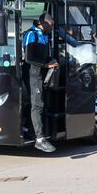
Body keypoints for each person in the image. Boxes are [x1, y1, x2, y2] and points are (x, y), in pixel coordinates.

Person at [23, 13, 59, 153]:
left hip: (41, 75)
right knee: (37, 105)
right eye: (50, 25)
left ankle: (30, 130)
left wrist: (51, 60)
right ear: (43, 23)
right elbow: (29, 57)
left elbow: (42, 55)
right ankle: (39, 139)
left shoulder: (44, 35)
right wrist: (46, 64)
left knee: (38, 104)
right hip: (33, 75)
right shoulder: (32, 34)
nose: (52, 28)